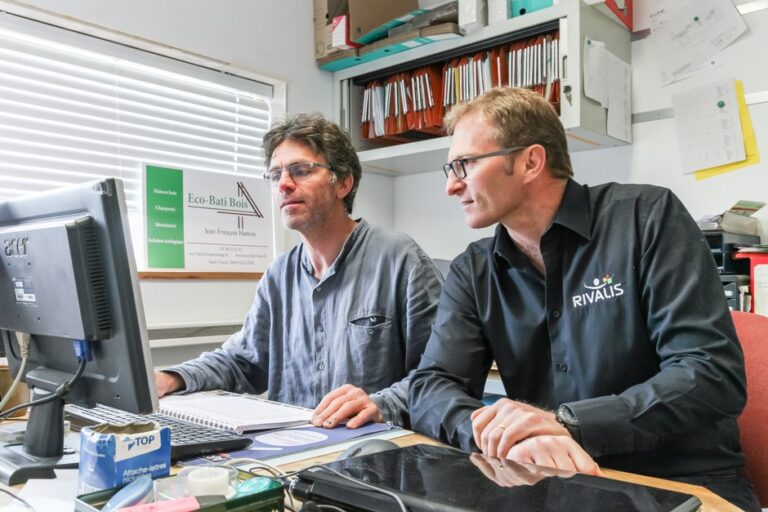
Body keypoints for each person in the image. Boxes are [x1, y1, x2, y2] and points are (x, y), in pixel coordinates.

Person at [408, 87, 760, 510]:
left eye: (464, 164)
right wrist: (499, 433)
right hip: (551, 481)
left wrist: (570, 424)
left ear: (530, 161)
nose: (451, 186)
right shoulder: (474, 269)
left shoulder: (647, 217)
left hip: (678, 482)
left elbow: (711, 373)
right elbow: (431, 387)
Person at [156, 113, 443, 429]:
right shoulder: (279, 275)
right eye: (275, 174)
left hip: (372, 451)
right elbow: (243, 361)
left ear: (344, 183)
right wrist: (171, 378)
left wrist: (380, 403)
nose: (284, 184)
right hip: (292, 452)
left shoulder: (400, 259)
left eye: (301, 171)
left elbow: (439, 376)